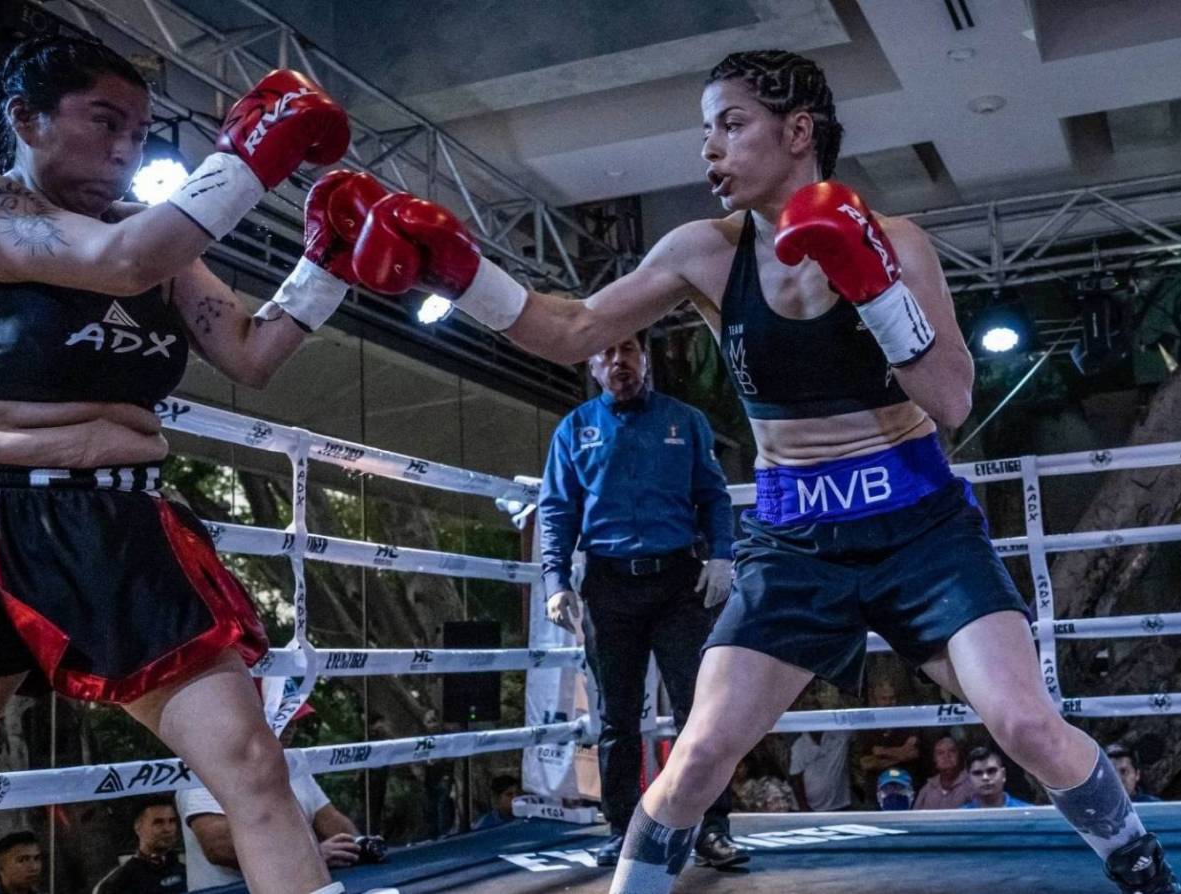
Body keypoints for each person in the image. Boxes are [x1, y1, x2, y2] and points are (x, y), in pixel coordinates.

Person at [341, 48, 1179, 894]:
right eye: (705, 131)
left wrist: (873, 288)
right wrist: (462, 273)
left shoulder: (897, 242)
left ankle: (1137, 865)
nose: (708, 151)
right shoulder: (703, 251)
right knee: (700, 750)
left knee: (1023, 721)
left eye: (730, 126)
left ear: (797, 131)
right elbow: (570, 330)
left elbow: (954, 399)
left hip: (921, 530)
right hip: (792, 544)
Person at [0, 33, 364, 894]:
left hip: (122, 524)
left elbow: (250, 354)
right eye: (105, 121)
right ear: (25, 119)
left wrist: (327, 264)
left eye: (139, 132)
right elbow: (119, 263)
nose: (125, 148)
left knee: (256, 769)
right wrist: (249, 161)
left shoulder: (154, 244)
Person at [538, 332, 742, 869]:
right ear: (592, 364)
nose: (618, 360)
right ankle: (623, 829)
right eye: (607, 352)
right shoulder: (574, 429)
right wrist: (554, 581)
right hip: (608, 584)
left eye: (627, 349)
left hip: (680, 581)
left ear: (644, 357)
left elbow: (713, 497)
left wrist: (723, 556)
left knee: (699, 710)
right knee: (616, 717)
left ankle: (712, 827)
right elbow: (557, 510)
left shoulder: (686, 421)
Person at [177, 701, 367, 890]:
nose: (292, 725)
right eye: (283, 718)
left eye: (295, 718)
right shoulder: (204, 769)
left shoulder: (292, 764)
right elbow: (218, 847)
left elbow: (330, 819)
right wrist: (313, 856)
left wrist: (361, 845)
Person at [853, 678, 924, 805]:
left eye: (892, 698)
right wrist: (901, 754)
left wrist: (881, 752)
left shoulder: (909, 721)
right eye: (884, 699)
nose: (889, 702)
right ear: (875, 700)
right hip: (875, 794)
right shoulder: (866, 726)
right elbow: (865, 763)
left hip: (907, 792)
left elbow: (913, 753)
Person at [92, 799, 184, 894]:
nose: (167, 829)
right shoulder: (118, 881)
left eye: (172, 821)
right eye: (158, 822)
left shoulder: (186, 870)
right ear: (138, 827)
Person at [787, 729, 852, 813]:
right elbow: (795, 778)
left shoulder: (840, 735)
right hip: (808, 808)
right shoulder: (799, 745)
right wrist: (805, 809)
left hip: (838, 805)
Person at [913, 735, 976, 810]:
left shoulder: (973, 784)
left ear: (959, 755)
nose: (946, 756)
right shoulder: (927, 789)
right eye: (940, 753)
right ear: (934, 759)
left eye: (952, 751)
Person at [963, 745, 1032, 809]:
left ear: (1003, 774)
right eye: (977, 773)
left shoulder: (1028, 813)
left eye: (991, 771)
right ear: (969, 779)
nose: (985, 777)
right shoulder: (959, 819)